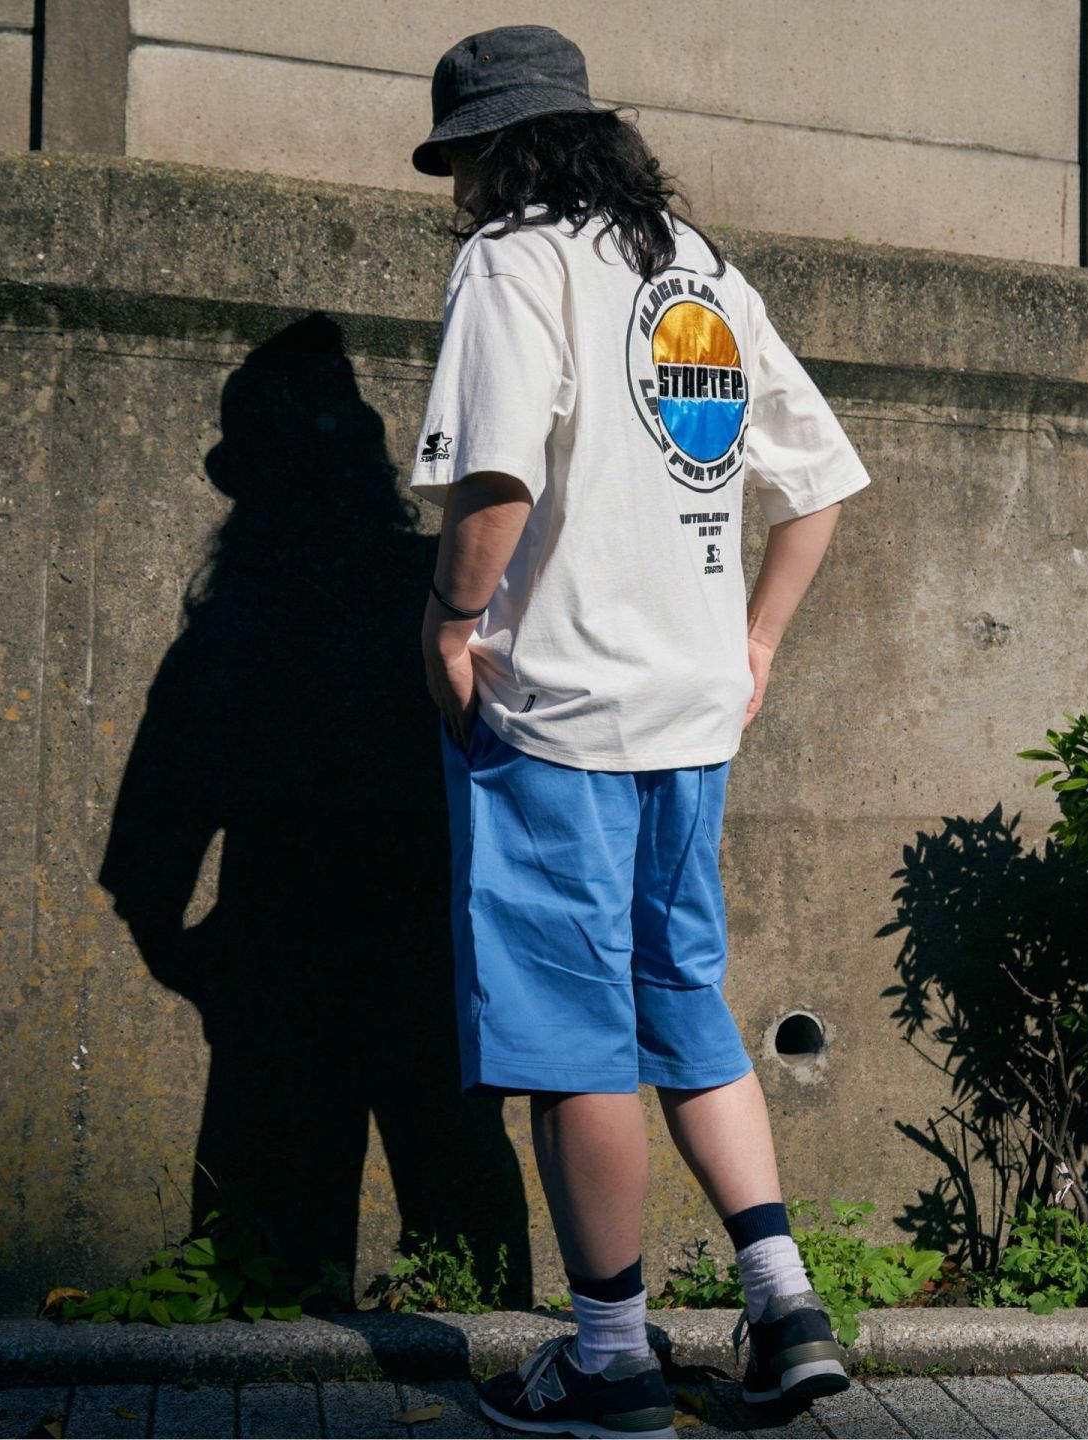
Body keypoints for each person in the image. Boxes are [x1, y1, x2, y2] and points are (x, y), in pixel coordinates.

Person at [409, 25, 871, 1437]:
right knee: (681, 997)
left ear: (496, 152)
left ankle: (610, 1358)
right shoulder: (693, 267)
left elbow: (495, 476)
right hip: (690, 710)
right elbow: (818, 482)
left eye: (461, 162)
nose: (457, 192)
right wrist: (756, 645)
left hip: (562, 707)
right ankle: (785, 1304)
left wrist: (447, 624)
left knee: (572, 1041)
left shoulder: (515, 260)